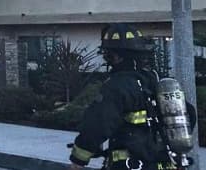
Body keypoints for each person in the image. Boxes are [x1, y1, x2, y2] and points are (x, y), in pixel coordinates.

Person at [69, 23, 197, 169]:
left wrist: (78, 160)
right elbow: (189, 113)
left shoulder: (117, 86)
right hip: (166, 164)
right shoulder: (154, 80)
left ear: (114, 56)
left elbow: (96, 125)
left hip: (132, 165)